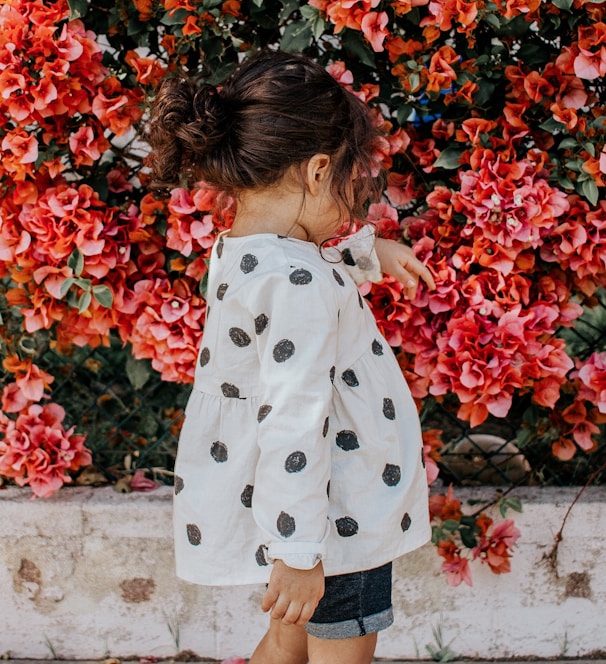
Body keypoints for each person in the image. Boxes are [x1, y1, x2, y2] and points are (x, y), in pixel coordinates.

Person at [146, 49, 435, 664]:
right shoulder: (296, 283)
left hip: (300, 518)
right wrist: (300, 555)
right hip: (336, 516)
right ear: (318, 170)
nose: (359, 194)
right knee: (337, 650)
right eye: (353, 178)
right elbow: (295, 419)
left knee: (286, 639)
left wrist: (366, 253)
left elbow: (295, 281)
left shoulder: (242, 252)